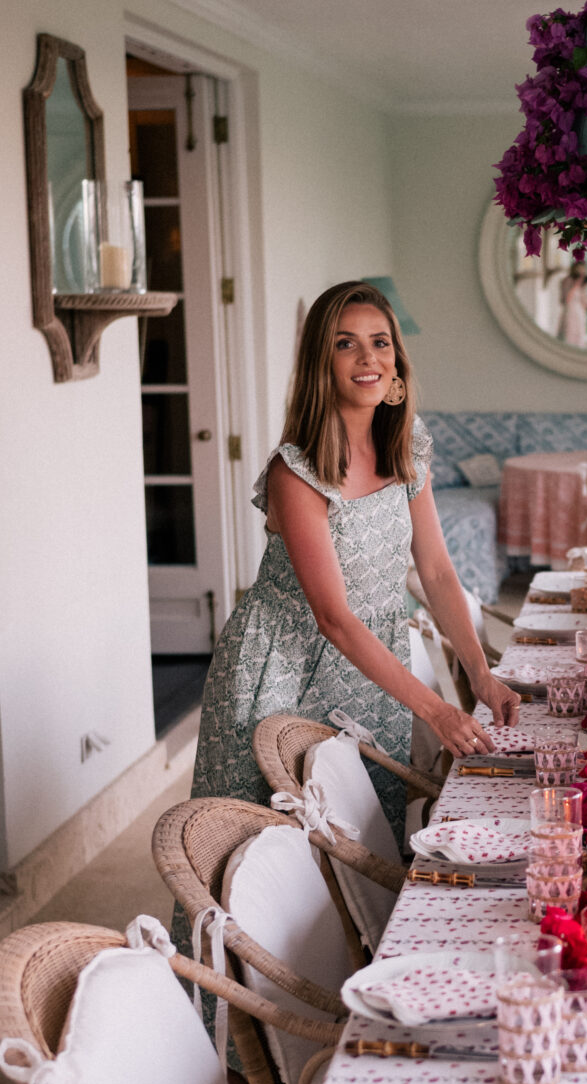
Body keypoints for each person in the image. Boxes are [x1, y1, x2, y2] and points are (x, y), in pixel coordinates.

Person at [189, 280, 521, 833]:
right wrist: (435, 709)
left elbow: (436, 569)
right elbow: (333, 617)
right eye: (346, 344)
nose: (369, 358)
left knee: (365, 831)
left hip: (373, 663)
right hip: (281, 668)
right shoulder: (295, 472)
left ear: (397, 360)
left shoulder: (406, 444)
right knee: (266, 839)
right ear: (322, 362)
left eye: (381, 342)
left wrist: (480, 672)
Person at [558, 259, 587, 348]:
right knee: (568, 337)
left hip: (580, 314)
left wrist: (583, 288)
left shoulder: (583, 283)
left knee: (579, 339)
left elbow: (585, 304)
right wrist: (575, 285)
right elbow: (566, 300)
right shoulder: (567, 280)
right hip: (569, 312)